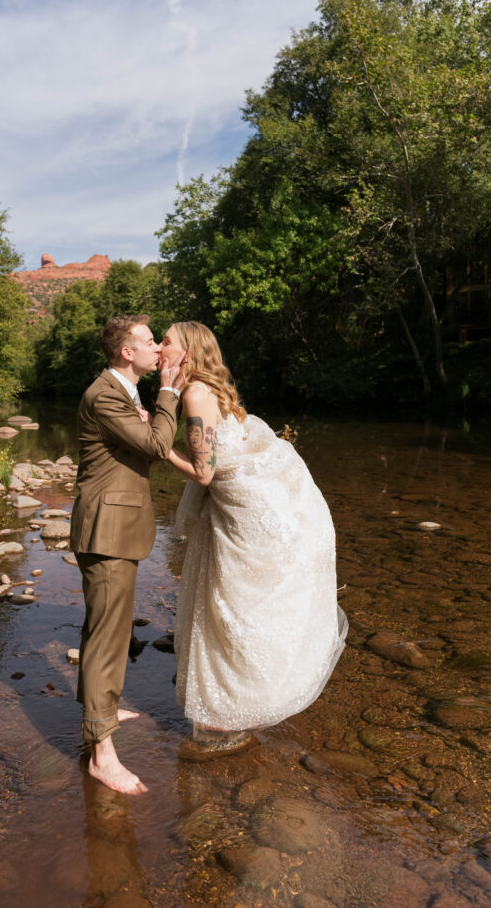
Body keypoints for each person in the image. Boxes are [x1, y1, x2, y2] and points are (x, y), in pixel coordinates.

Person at [160, 321, 348, 751]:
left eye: (165, 342)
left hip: (241, 509)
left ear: (186, 352)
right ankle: (234, 707)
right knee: (237, 603)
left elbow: (204, 473)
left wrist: (160, 449)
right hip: (245, 505)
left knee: (231, 605)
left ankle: (231, 712)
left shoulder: (194, 393)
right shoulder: (210, 388)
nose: (158, 348)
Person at [70, 314, 184, 793]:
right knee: (106, 636)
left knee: (108, 629)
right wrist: (171, 391)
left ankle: (102, 708)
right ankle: (102, 752)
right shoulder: (106, 395)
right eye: (148, 340)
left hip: (115, 528)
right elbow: (158, 444)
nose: (157, 347)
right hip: (106, 530)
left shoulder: (123, 391)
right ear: (126, 352)